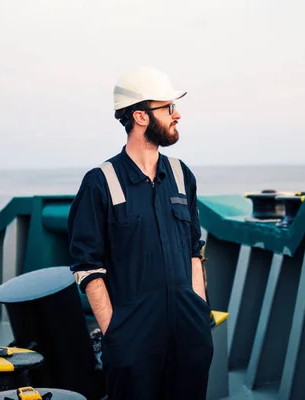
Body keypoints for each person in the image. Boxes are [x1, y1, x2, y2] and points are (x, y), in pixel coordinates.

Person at [67, 65, 213, 399]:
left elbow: (194, 250)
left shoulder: (180, 175)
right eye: (168, 108)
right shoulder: (101, 182)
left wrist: (198, 314)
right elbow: (87, 266)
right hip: (133, 343)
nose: (177, 115)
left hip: (189, 336)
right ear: (141, 116)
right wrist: (115, 334)